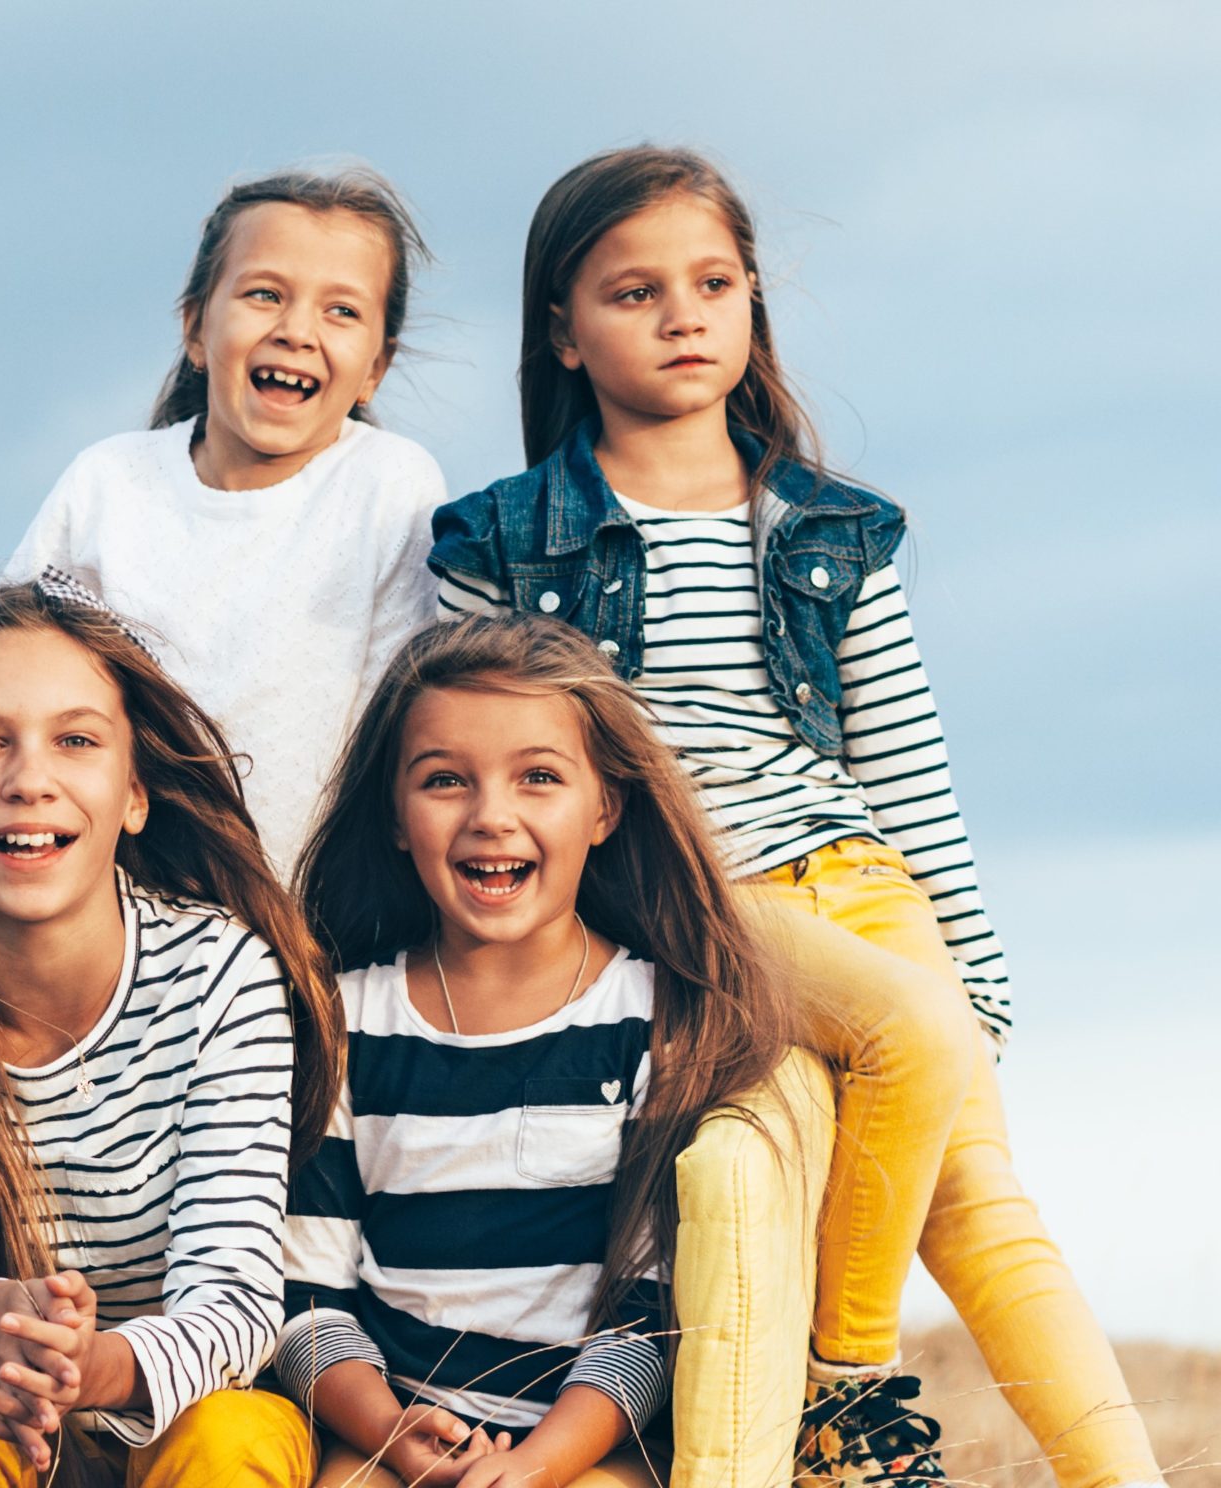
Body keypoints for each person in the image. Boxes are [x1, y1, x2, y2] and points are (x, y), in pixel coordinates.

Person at [429, 145, 1159, 1488]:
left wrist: (979, 983)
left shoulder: (827, 527)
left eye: (713, 284)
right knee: (908, 1035)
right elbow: (485, 769)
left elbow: (905, 768)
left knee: (985, 1202)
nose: (683, 315)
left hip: (866, 885)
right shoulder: (502, 543)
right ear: (564, 332)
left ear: (753, 302)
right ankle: (843, 1391)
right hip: (702, 898)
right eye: (635, 292)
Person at [0, 165, 447, 905]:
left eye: (341, 311)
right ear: (195, 329)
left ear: (376, 366)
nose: (297, 330)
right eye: (264, 294)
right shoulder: (112, 484)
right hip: (111, 929)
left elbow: (399, 733)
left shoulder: (388, 487)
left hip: (307, 924)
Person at [0, 581, 343, 1486]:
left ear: (134, 793)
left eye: (76, 741)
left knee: (234, 1442)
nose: (29, 779)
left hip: (178, 1396)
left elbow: (235, 1297)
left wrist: (94, 1366)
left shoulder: (223, 974)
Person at [278, 611, 794, 1488]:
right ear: (396, 817)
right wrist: (393, 1430)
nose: (492, 817)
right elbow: (309, 1301)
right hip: (389, 1433)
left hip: (586, 1445)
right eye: (445, 780)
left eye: (539, 778)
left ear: (606, 807)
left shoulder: (658, 1015)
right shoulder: (344, 1020)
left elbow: (651, 1313)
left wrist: (538, 1467)